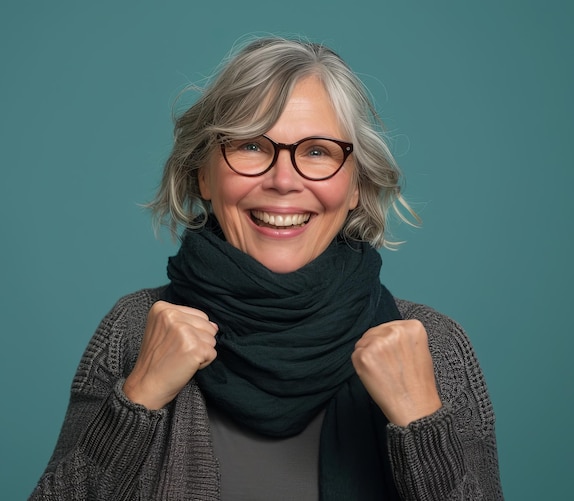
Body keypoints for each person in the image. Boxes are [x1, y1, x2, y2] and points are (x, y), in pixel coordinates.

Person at [30, 37, 503, 500]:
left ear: (356, 185)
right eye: (251, 146)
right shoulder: (133, 332)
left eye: (317, 151)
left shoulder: (435, 349)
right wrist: (137, 400)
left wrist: (421, 423)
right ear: (203, 175)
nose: (283, 181)